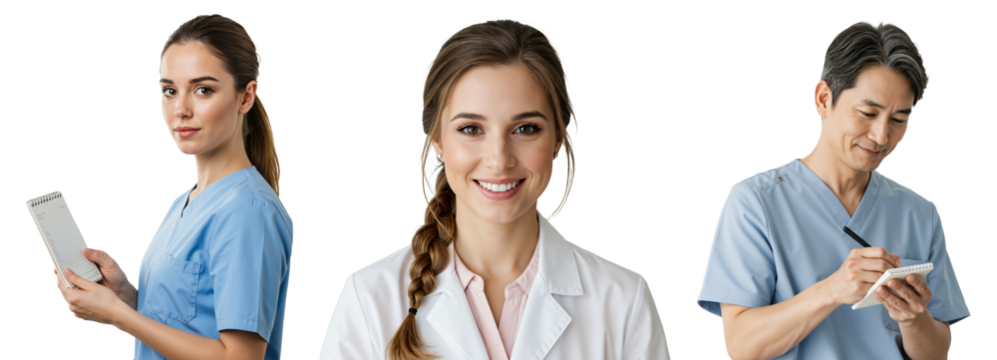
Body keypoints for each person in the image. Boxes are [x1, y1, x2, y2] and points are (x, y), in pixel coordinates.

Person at [318, 18, 669, 360]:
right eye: (471, 129)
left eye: (525, 128)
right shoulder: (368, 300)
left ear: (557, 140)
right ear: (437, 140)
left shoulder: (625, 302)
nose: (499, 160)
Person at [694, 19, 971, 360]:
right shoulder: (754, 203)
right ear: (823, 99)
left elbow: (939, 352)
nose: (881, 136)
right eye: (867, 112)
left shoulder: (921, 214)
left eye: (899, 120)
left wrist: (914, 319)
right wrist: (830, 291)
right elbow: (740, 346)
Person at [49, 12, 295, 360]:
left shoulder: (248, 212)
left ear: (246, 97)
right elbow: (189, 322)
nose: (180, 109)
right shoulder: (184, 202)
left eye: (203, 90)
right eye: (169, 90)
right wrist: (126, 299)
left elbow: (239, 357)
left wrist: (120, 316)